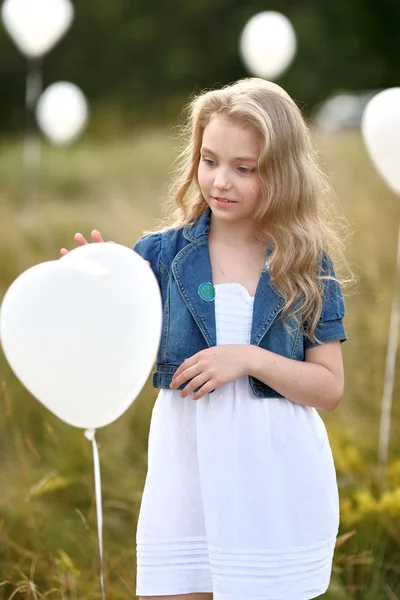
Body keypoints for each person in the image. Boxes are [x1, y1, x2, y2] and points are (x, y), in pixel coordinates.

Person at [61, 78, 354, 600]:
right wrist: (93, 288)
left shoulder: (305, 266)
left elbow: (328, 388)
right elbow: (113, 347)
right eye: (209, 160)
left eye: (244, 169)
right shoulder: (160, 255)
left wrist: (247, 358)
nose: (220, 181)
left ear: (283, 173)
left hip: (274, 478)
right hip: (186, 473)